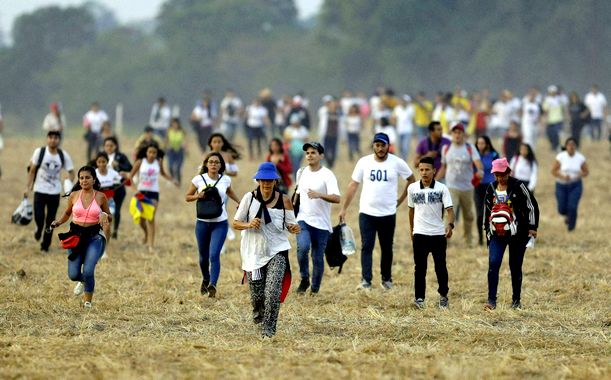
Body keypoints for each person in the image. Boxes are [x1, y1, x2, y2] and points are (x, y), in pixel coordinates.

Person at [339, 132, 415, 290]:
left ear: (388, 146)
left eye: (383, 145)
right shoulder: (364, 162)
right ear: (373, 145)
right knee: (367, 246)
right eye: (377, 145)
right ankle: (366, 280)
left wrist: (401, 200)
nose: (380, 149)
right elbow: (353, 185)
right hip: (367, 213)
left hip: (388, 213)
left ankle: (386, 279)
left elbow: (411, 180)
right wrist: (344, 208)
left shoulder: (397, 162)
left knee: (387, 247)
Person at [233, 162, 301, 338]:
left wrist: (294, 228)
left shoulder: (284, 200)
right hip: (253, 253)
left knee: (272, 291)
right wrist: (248, 224)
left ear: (275, 181)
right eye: (263, 180)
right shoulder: (249, 198)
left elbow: (290, 224)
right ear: (258, 180)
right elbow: (235, 223)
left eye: (269, 180)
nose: (266, 183)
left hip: (277, 250)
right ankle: (258, 312)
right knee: (257, 293)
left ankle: (269, 328)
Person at [50, 166, 112, 309]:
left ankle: (87, 301)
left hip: (94, 237)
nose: (84, 180)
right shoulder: (74, 195)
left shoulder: (101, 196)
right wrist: (58, 222)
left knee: (89, 270)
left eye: (87, 177)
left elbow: (110, 217)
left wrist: (105, 215)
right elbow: (67, 213)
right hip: (75, 237)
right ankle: (85, 281)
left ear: (94, 179)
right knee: (73, 274)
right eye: (82, 178)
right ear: (79, 180)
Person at [483, 158, 539, 310]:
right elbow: (486, 210)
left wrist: (532, 227)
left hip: (518, 234)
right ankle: (491, 300)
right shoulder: (490, 188)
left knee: (515, 266)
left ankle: (516, 301)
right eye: (497, 175)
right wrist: (487, 230)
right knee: (493, 263)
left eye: (502, 174)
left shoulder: (519, 186)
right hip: (497, 234)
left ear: (508, 172)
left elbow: (531, 206)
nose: (500, 178)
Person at [185, 152, 240, 298]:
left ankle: (213, 285)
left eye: (216, 162)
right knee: (203, 257)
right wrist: (198, 195)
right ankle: (206, 278)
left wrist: (240, 203)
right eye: (211, 162)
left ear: (221, 165)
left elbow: (230, 193)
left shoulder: (226, 180)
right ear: (206, 164)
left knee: (214, 255)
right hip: (202, 223)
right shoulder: (198, 179)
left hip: (220, 223)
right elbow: (187, 197)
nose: (214, 164)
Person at [408, 156, 454, 309]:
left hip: (437, 234)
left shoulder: (442, 188)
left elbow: (449, 210)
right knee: (419, 268)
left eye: (427, 169)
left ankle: (443, 296)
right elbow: (411, 210)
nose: (424, 173)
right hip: (420, 234)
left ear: (434, 171)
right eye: (421, 170)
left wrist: (450, 225)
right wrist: (411, 230)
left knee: (440, 267)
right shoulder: (412, 188)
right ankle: (419, 298)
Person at [294, 142, 341, 294]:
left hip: (321, 223)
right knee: (302, 248)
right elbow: (297, 196)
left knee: (317, 257)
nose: (309, 155)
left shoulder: (327, 175)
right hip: (303, 219)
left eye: (313, 152)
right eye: (307, 153)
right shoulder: (301, 172)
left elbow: (336, 198)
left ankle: (314, 289)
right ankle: (304, 278)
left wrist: (319, 194)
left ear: (321, 156)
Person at [24, 131, 75, 252]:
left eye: (56, 138)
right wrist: (28, 187)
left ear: (59, 140)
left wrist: (69, 181)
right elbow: (31, 170)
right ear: (47, 139)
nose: (53, 140)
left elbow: (71, 172)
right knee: (39, 216)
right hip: (39, 189)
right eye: (51, 137)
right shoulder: (40, 152)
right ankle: (38, 228)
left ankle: (45, 245)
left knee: (51, 220)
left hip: (54, 192)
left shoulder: (63, 155)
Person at [436, 123, 483, 247]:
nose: (457, 135)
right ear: (451, 134)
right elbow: (443, 167)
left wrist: (480, 171)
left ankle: (467, 240)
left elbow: (478, 163)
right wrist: (434, 181)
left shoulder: (470, 148)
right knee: (448, 214)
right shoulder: (446, 149)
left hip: (467, 187)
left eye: (459, 133)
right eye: (455, 133)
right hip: (451, 187)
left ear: (464, 135)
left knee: (468, 215)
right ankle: (445, 240)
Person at [129, 143, 178, 252]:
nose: (152, 154)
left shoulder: (158, 162)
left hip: (154, 193)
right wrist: (134, 190)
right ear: (146, 152)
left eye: (154, 153)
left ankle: (151, 245)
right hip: (141, 192)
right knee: (142, 220)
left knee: (151, 217)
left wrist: (172, 180)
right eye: (150, 152)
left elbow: (163, 173)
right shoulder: (140, 162)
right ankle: (146, 234)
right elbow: (130, 177)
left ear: (157, 154)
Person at [552, 138, 588, 231]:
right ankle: (568, 215)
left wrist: (581, 174)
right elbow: (553, 171)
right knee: (561, 209)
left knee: (572, 206)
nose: (571, 147)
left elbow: (586, 171)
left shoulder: (580, 158)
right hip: (561, 185)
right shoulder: (561, 157)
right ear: (566, 146)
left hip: (575, 185)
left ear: (575, 146)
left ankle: (571, 227)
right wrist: (562, 176)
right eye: (569, 145)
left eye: (573, 145)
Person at [102, 136, 132, 238]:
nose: (109, 148)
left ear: (115, 146)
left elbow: (130, 167)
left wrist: (118, 165)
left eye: (111, 145)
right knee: (105, 211)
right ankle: (104, 230)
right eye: (106, 145)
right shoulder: (101, 157)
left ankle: (115, 230)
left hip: (118, 187)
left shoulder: (121, 156)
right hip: (105, 188)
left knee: (117, 210)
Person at [474, 136, 500, 246]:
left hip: (490, 187)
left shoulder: (494, 155)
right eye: (478, 143)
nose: (480, 146)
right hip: (477, 186)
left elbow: (499, 169)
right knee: (480, 213)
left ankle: (490, 236)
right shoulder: (474, 155)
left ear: (487, 144)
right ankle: (480, 238)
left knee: (490, 213)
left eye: (482, 143)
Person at [283, 114, 309, 180]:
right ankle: (296, 177)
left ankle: (296, 175)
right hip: (291, 150)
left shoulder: (303, 129)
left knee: (297, 163)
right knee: (295, 164)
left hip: (300, 150)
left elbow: (306, 139)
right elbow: (286, 140)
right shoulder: (288, 129)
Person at [318, 99, 341, 169]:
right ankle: (326, 162)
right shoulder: (325, 114)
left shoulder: (338, 114)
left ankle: (331, 164)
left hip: (335, 135)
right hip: (327, 135)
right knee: (326, 150)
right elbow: (322, 125)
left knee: (334, 151)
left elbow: (341, 126)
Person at [392, 95, 415, 162]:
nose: (402, 102)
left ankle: (404, 160)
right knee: (399, 146)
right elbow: (394, 118)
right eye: (401, 101)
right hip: (399, 130)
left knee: (405, 147)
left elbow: (413, 119)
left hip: (408, 130)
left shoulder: (411, 108)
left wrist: (414, 130)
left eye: (404, 101)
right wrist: (394, 126)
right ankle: (401, 158)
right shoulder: (397, 108)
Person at [543, 85, 565, 151]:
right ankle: (553, 145)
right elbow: (545, 109)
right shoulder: (547, 100)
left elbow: (563, 108)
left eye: (554, 91)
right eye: (551, 92)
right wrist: (545, 119)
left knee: (555, 134)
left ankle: (556, 146)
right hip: (550, 120)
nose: (553, 93)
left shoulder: (559, 99)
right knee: (549, 134)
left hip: (558, 119)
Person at [166, 118, 187, 185]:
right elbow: (166, 141)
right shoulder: (169, 131)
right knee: (170, 166)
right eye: (173, 124)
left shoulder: (182, 131)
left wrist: (184, 146)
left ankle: (178, 180)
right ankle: (172, 179)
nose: (175, 125)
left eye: (176, 124)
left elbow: (185, 140)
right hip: (171, 151)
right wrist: (167, 146)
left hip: (179, 151)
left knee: (178, 167)